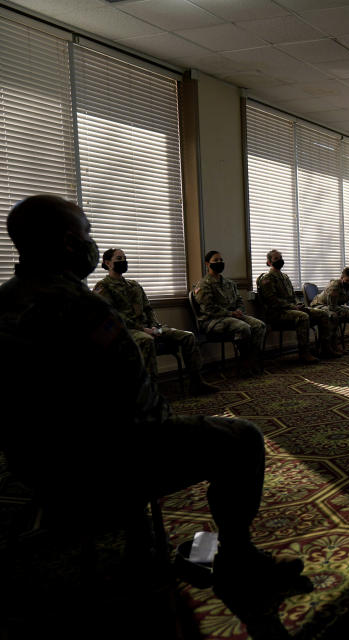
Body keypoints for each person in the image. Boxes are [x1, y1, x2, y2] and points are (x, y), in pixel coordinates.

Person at [0, 195, 310, 633]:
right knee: (243, 438)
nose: (93, 245)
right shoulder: (82, 308)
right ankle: (237, 560)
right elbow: (141, 403)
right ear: (71, 243)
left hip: (33, 463)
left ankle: (134, 535)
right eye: (88, 235)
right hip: (108, 461)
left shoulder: (4, 303)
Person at [94, 248, 218, 395]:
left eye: (124, 258)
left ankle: (197, 382)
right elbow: (113, 316)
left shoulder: (134, 285)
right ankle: (151, 392)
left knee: (188, 336)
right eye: (119, 259)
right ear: (108, 263)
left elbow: (148, 308)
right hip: (128, 331)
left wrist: (153, 325)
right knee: (147, 340)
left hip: (150, 328)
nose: (123, 262)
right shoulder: (103, 287)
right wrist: (142, 329)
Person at [256, 249, 340, 362]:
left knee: (323, 314)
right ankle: (304, 353)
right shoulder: (267, 278)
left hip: (291, 309)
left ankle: (325, 348)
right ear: (269, 262)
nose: (280, 260)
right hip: (276, 313)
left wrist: (298, 304)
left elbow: (292, 296)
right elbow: (272, 301)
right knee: (303, 316)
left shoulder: (285, 277)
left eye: (280, 258)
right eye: (276, 259)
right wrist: (293, 307)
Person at [194, 250, 266, 376]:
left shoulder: (229, 283)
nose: (219, 262)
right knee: (244, 328)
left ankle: (251, 360)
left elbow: (239, 301)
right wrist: (230, 313)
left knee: (260, 326)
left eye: (221, 260)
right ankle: (244, 364)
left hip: (234, 317)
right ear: (207, 264)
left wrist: (239, 311)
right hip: (212, 321)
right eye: (215, 260)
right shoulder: (204, 284)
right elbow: (209, 309)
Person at [310, 267, 349, 352]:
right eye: (347, 281)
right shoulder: (334, 286)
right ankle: (331, 347)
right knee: (333, 315)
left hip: (335, 305)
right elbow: (332, 307)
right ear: (341, 278)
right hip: (319, 305)